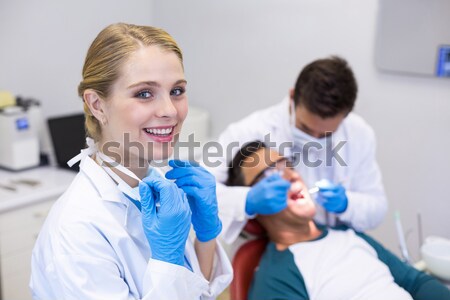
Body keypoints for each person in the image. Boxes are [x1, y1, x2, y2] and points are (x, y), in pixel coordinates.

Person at [30, 23, 232, 299]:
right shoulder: (77, 231)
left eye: (176, 91)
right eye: (144, 93)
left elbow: (199, 291)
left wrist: (206, 234)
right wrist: (167, 262)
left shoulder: (156, 187)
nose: (170, 111)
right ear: (97, 104)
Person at [227, 141, 450, 300]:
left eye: (288, 165)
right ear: (253, 202)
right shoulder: (277, 277)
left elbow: (416, 283)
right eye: (270, 176)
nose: (290, 176)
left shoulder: (348, 234)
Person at [209, 56, 387, 247]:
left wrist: (347, 204)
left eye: (326, 134)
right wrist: (247, 201)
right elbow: (199, 193)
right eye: (306, 129)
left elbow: (377, 207)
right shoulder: (247, 132)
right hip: (276, 248)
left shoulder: (358, 133)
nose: (315, 140)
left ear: (345, 115)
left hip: (337, 245)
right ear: (293, 96)